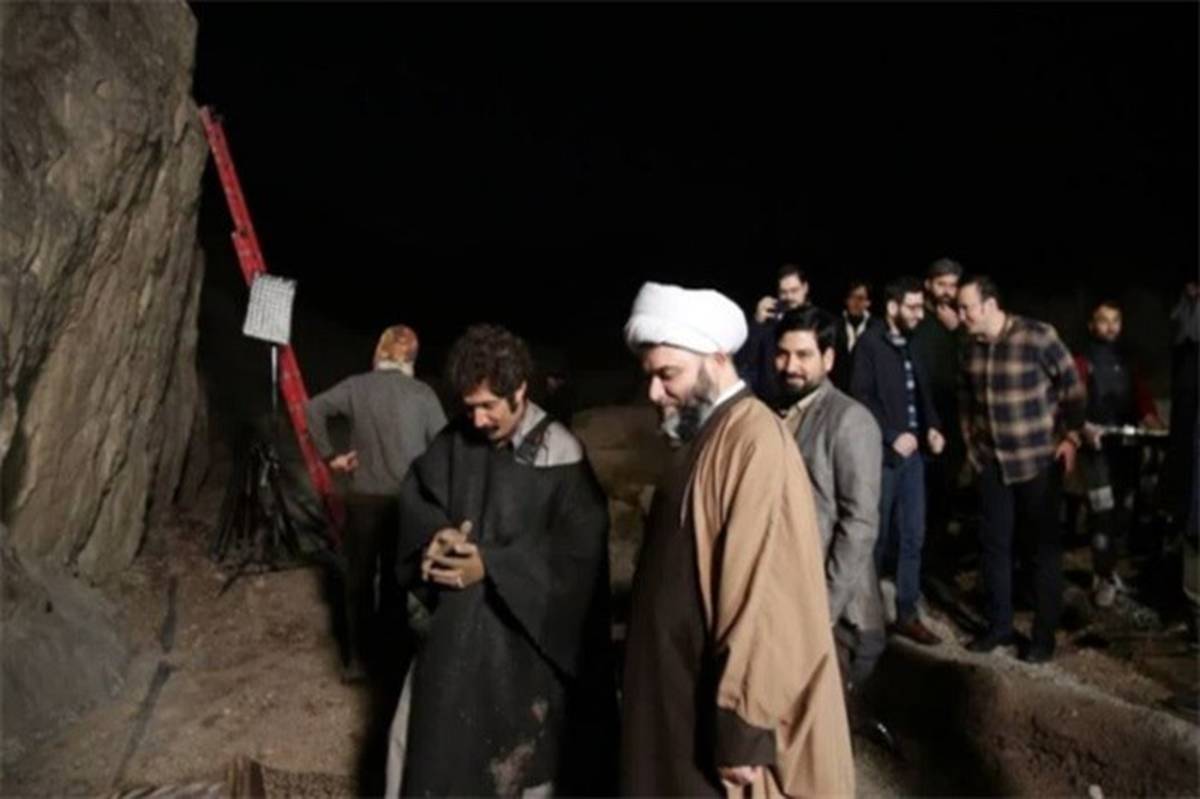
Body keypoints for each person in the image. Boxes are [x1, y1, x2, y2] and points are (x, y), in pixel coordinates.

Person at [621, 282, 854, 798]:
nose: (654, 393)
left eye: (668, 375)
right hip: (673, 704)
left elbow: (766, 596)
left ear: (718, 359)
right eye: (650, 377)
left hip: (712, 727)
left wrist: (742, 732)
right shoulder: (704, 434)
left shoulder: (754, 441)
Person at [383, 324, 616, 798]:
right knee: (427, 750)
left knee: (517, 767)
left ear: (520, 391)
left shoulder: (562, 457)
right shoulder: (457, 437)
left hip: (524, 651)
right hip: (453, 638)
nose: (478, 419)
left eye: (489, 405)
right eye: (469, 406)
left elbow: (579, 561)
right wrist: (434, 538)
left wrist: (492, 565)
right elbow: (418, 498)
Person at [305, 324, 446, 681]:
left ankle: (358, 661)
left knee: (359, 583)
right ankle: (392, 662)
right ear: (412, 357)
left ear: (379, 351)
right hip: (404, 504)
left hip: (363, 501)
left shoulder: (357, 387)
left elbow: (313, 409)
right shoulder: (422, 394)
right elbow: (443, 447)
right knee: (398, 584)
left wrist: (332, 457)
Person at [774, 306, 889, 742]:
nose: (791, 366)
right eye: (783, 354)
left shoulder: (849, 420)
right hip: (789, 597)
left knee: (823, 741)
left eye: (804, 355)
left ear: (828, 358)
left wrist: (821, 609)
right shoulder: (777, 411)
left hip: (837, 614)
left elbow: (859, 523)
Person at [957, 275, 1086, 663]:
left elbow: (1072, 387)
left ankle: (1042, 638)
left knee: (1041, 552)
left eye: (966, 307)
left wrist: (1071, 437)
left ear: (989, 305)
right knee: (994, 548)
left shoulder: (1037, 336)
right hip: (992, 464)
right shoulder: (970, 347)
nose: (960, 315)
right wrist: (972, 449)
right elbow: (966, 401)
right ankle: (999, 627)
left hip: (1037, 461)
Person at [851, 276, 946, 646]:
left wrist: (932, 426)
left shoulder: (913, 344)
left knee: (913, 535)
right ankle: (866, 615)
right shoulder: (869, 345)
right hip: (883, 456)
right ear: (892, 307)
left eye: (921, 307)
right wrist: (891, 434)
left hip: (914, 457)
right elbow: (861, 395)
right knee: (876, 536)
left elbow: (923, 393)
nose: (920, 314)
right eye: (913, 307)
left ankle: (907, 614)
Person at [1073, 299, 1165, 607]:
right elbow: (1073, 401)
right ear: (1092, 325)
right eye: (1104, 320)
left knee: (1122, 514)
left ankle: (1110, 571)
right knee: (1101, 512)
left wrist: (1155, 425)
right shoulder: (1082, 361)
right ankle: (1101, 576)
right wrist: (1083, 428)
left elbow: (1143, 401)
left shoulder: (1128, 362)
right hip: (1096, 449)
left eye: (1116, 320)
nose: (1110, 326)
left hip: (1126, 448)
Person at [912, 257, 966, 573]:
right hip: (921, 417)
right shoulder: (917, 317)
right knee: (921, 496)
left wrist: (957, 330)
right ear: (928, 285)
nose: (947, 291)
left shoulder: (960, 321)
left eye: (952, 285)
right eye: (941, 284)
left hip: (952, 418)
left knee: (945, 493)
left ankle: (936, 563)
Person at [736, 263, 812, 405]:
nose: (789, 297)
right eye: (783, 292)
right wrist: (757, 322)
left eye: (794, 291)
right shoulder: (768, 320)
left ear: (805, 288)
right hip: (769, 403)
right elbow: (745, 360)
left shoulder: (819, 322)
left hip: (804, 402)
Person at [830, 278, 878, 391]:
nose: (856, 303)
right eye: (852, 297)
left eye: (860, 298)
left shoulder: (877, 328)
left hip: (868, 391)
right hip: (840, 390)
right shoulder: (834, 326)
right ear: (846, 300)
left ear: (868, 302)